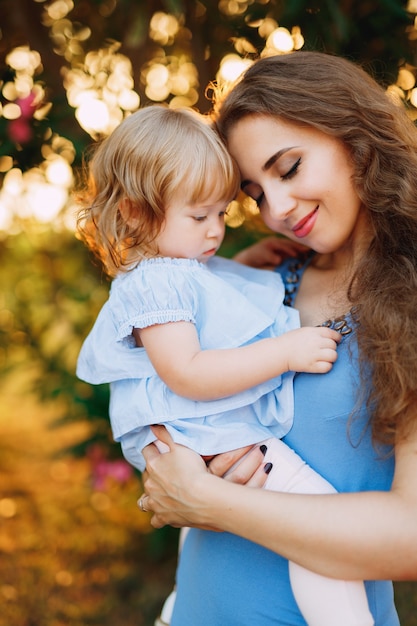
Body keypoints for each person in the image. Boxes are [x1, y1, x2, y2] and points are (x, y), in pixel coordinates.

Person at [139, 51, 417, 626]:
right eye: (256, 194)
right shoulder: (265, 284)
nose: (278, 210)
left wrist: (214, 503)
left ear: (356, 139)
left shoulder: (410, 303)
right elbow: (165, 398)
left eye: (288, 168)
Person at [75, 104, 374, 626]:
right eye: (199, 216)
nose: (215, 232)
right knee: (314, 512)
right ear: (136, 214)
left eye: (222, 213)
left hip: (202, 437)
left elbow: (209, 293)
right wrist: (285, 352)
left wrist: (245, 266)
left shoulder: (174, 267)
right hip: (204, 430)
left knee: (238, 510)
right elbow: (187, 371)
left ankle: (176, 605)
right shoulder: (155, 281)